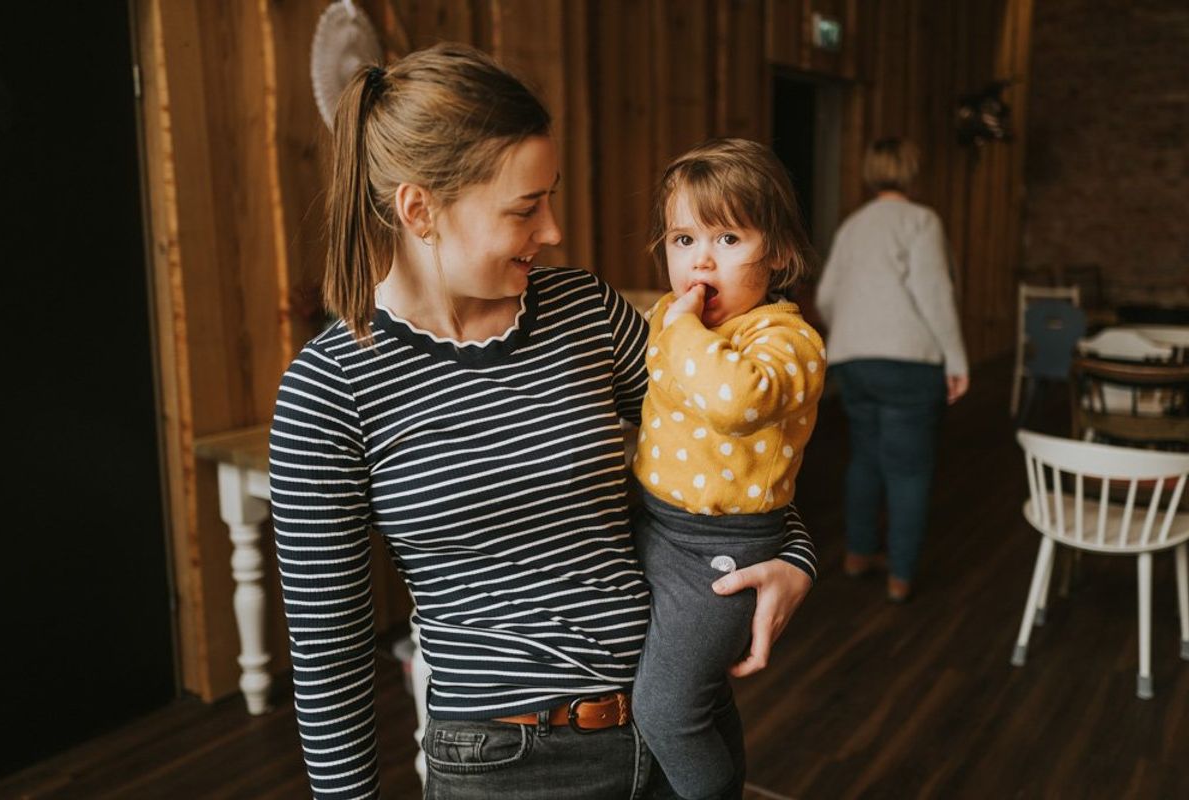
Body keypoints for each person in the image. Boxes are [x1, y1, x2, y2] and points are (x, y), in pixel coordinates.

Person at [269, 43, 816, 800]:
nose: (553, 230)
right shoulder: (327, 390)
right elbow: (328, 659)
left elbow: (735, 445)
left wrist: (794, 556)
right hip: (507, 772)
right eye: (527, 207)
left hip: (675, 731)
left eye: (549, 197)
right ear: (420, 209)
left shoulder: (582, 310)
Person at [629, 139, 825, 800]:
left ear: (780, 253)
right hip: (656, 523)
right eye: (683, 239)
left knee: (665, 712)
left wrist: (681, 328)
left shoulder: (786, 338)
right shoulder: (668, 317)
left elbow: (734, 400)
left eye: (729, 237)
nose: (700, 260)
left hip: (721, 552)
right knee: (701, 698)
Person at [814, 137, 969, 603]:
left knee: (865, 457)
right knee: (908, 470)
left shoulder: (852, 226)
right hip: (908, 361)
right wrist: (957, 359)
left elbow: (824, 297)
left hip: (853, 361)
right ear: (912, 170)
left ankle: (858, 554)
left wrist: (855, 333)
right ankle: (900, 574)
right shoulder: (921, 220)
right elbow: (934, 294)